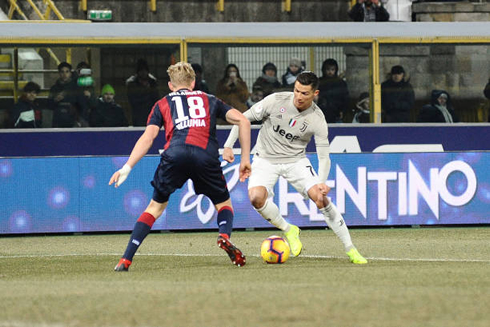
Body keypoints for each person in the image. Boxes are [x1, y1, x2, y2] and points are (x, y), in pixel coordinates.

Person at [110, 62, 252, 271]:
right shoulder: (209, 99)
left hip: (174, 154)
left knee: (155, 208)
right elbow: (243, 121)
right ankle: (223, 235)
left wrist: (127, 166)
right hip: (205, 156)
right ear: (193, 83)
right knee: (223, 205)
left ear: (170, 85)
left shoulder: (162, 104)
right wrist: (245, 159)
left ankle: (125, 259)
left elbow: (148, 138)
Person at [223, 71, 368, 265]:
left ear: (315, 93)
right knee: (256, 198)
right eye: (296, 91)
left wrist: (322, 182)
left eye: (304, 93)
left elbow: (324, 155)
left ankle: (351, 249)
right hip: (265, 158)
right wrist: (228, 145)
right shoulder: (275, 100)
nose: (299, 96)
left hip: (296, 161)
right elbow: (242, 119)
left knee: (320, 198)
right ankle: (289, 229)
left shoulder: (317, 118)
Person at [48, 62, 89, 127]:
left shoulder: (76, 88)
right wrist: (55, 100)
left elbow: (83, 106)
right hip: (58, 121)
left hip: (73, 121)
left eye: (67, 72)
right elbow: (49, 106)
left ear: (70, 73)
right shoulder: (54, 88)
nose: (65, 74)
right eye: (62, 72)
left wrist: (80, 120)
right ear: (59, 73)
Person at [126, 58, 160, 126]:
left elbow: (157, 99)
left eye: (145, 70)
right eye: (141, 71)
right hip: (137, 115)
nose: (143, 73)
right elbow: (132, 100)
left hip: (151, 115)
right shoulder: (131, 83)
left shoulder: (153, 82)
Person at [317, 58, 350, 124]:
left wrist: (343, 111)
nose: (330, 72)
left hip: (336, 114)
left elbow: (345, 98)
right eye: (328, 69)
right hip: (321, 114)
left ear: (336, 70)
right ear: (324, 70)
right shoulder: (318, 82)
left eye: (332, 69)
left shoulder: (341, 83)